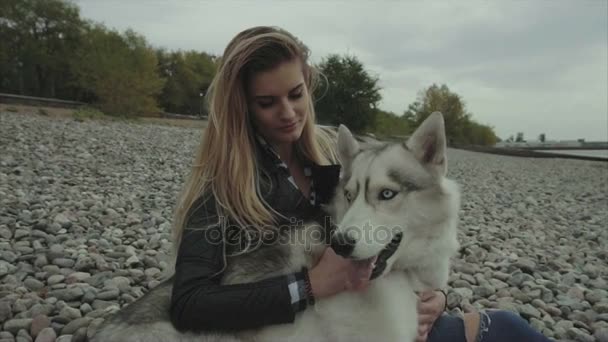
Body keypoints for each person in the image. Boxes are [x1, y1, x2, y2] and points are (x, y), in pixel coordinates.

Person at [169, 25, 553, 342]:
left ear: (308, 86)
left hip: (381, 319)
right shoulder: (222, 189)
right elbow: (187, 303)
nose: (288, 113)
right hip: (309, 330)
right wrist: (309, 286)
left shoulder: (331, 163)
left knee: (508, 326)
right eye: (267, 102)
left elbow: (388, 237)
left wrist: (434, 295)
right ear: (244, 106)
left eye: (296, 94)